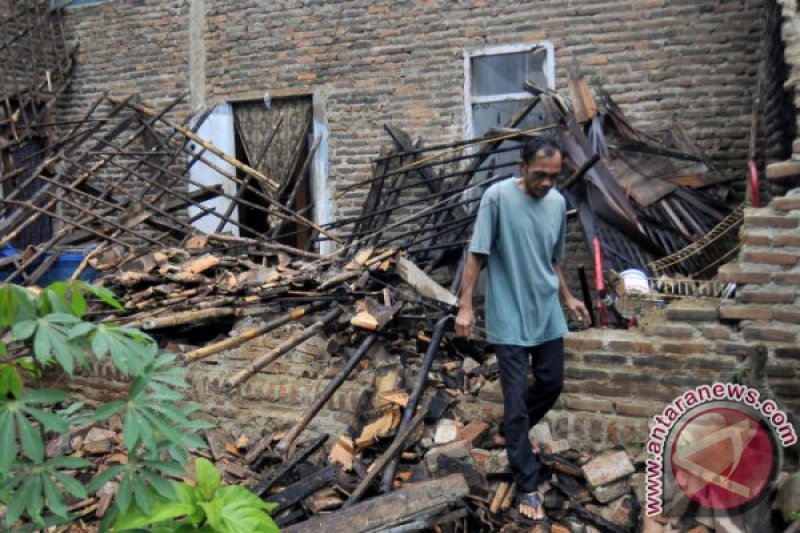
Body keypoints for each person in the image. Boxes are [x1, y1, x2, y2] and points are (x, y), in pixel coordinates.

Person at [455, 136, 591, 523]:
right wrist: (465, 306)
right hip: (508, 314)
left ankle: (511, 431)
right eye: (540, 175)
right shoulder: (497, 198)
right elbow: (477, 254)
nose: (547, 182)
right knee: (515, 401)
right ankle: (527, 484)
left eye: (554, 175)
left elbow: (553, 260)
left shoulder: (557, 203)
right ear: (522, 166)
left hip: (546, 311)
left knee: (551, 383)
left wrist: (567, 297)